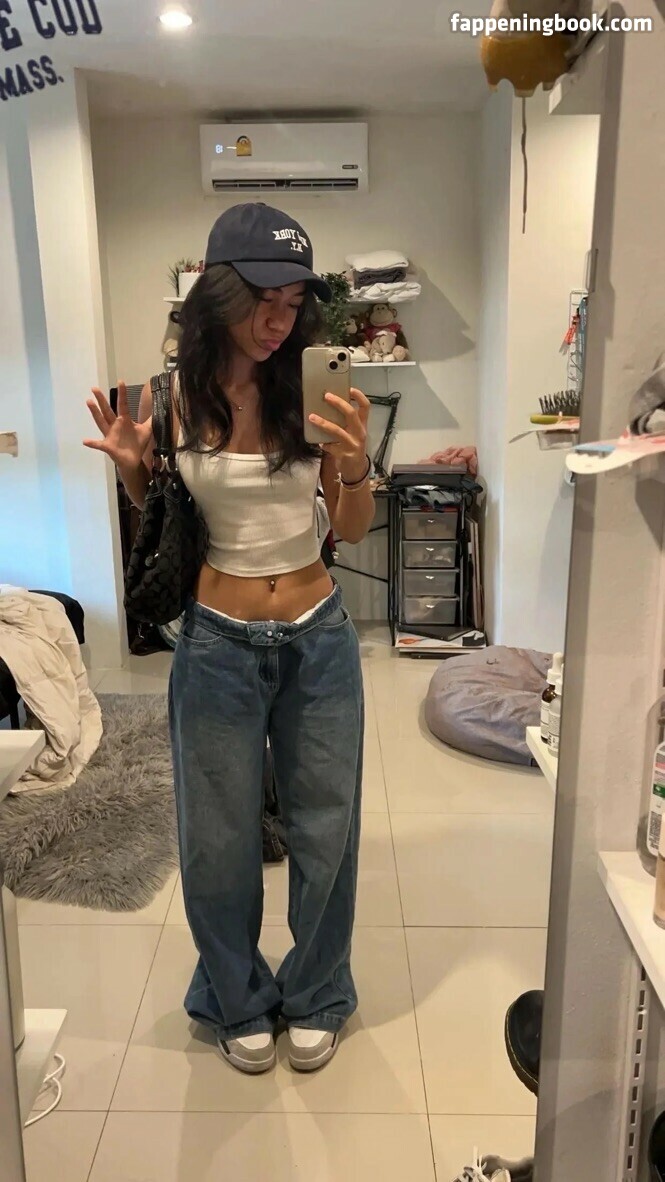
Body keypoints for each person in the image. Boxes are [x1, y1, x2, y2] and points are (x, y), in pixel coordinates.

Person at [83, 202, 374, 1075]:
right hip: (215, 644)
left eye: (293, 303)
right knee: (216, 837)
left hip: (319, 641)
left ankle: (317, 990)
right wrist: (136, 473)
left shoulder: (311, 392)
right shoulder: (171, 399)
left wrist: (353, 464)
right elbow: (170, 528)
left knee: (326, 829)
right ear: (217, 292)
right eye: (262, 300)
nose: (279, 321)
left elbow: (351, 528)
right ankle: (234, 995)